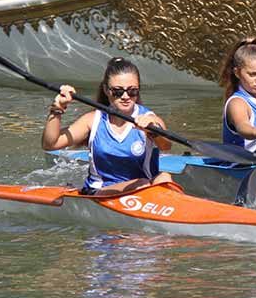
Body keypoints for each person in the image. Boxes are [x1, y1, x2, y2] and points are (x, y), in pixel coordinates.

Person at [41, 56, 173, 195]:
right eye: (118, 91)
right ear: (106, 90)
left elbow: (166, 146)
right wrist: (58, 107)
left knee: (164, 177)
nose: (126, 96)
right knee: (143, 183)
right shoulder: (93, 120)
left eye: (132, 90)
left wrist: (152, 131)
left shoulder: (150, 119)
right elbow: (51, 144)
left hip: (144, 190)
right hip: (100, 191)